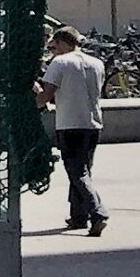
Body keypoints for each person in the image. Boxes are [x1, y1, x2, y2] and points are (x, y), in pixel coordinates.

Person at [35, 26, 107, 235]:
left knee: (77, 172)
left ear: (64, 43)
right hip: (92, 124)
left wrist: (35, 96)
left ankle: (97, 213)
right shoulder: (97, 63)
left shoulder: (60, 63)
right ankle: (78, 216)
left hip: (69, 124)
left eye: (54, 46)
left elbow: (45, 97)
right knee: (83, 171)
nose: (52, 50)